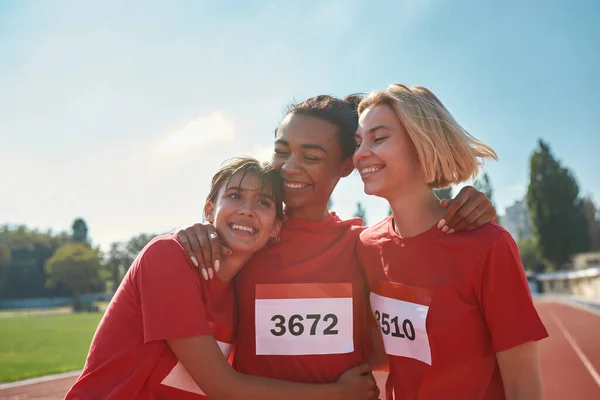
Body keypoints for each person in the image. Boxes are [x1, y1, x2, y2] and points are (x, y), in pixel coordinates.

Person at [174, 94, 497, 392]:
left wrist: (464, 206)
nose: (288, 167)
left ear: (347, 165)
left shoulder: (364, 245)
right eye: (282, 151)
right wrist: (198, 233)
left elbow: (398, 340)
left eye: (311, 156)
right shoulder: (243, 243)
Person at [65, 157, 377, 400]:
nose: (247, 210)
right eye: (235, 196)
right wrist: (337, 394)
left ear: (277, 227)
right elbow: (224, 389)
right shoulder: (168, 257)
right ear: (210, 209)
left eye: (264, 203)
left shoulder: (242, 289)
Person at [354, 84, 548, 399]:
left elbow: (523, 387)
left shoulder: (489, 246)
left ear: (423, 142)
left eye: (379, 138)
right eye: (358, 141)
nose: (360, 153)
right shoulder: (367, 246)